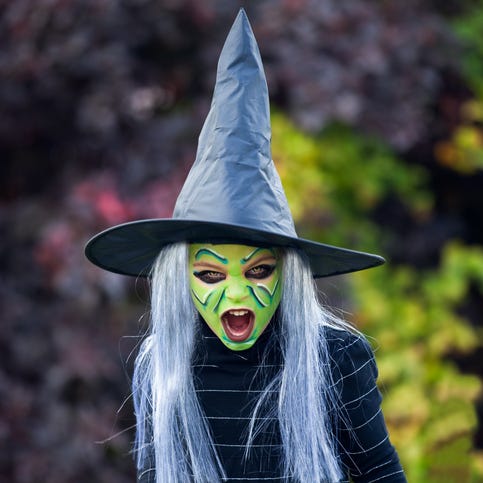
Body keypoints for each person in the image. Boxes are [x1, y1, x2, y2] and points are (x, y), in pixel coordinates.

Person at [86, 9, 406, 482]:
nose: (236, 295)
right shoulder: (166, 363)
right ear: (182, 277)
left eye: (257, 271)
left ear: (286, 272)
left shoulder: (335, 359)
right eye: (211, 274)